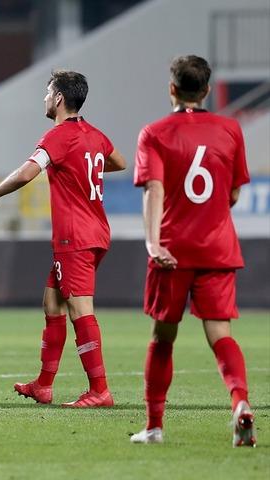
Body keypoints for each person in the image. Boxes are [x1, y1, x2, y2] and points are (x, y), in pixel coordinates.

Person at [0, 70, 126, 408]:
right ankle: (43, 385)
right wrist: (85, 167)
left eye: (46, 92)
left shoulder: (59, 136)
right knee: (52, 303)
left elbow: (26, 172)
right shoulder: (93, 134)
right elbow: (119, 162)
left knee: (80, 310)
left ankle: (100, 390)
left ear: (58, 99)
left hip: (75, 236)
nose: (43, 98)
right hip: (96, 231)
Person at [130, 55, 256, 447]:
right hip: (217, 247)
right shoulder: (230, 129)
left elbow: (154, 188)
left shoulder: (154, 133)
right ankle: (239, 404)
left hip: (172, 250)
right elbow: (233, 191)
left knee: (163, 337)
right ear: (206, 91)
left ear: (172, 88)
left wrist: (153, 242)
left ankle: (154, 426)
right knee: (220, 333)